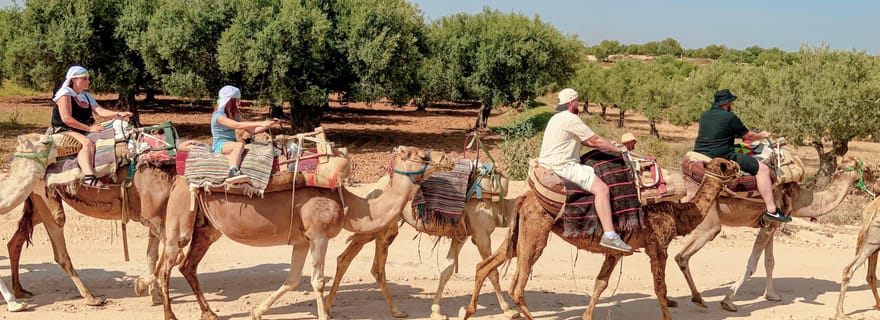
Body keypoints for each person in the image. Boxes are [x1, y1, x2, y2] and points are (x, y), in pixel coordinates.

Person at [539, 88, 632, 252]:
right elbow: (595, 140)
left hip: (548, 163)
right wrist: (620, 150)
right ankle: (610, 235)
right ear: (571, 103)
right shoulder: (570, 118)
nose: (578, 105)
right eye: (577, 101)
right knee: (602, 189)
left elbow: (587, 140)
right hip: (563, 166)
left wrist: (612, 145)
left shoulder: (556, 118)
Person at [693, 89, 791, 223]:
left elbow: (721, 132)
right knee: (763, 169)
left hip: (700, 152)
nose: (731, 106)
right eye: (731, 103)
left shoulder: (704, 115)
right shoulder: (729, 117)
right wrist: (762, 135)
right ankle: (772, 210)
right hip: (723, 155)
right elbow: (748, 136)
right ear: (727, 104)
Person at [51, 66, 133, 189]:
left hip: (83, 128)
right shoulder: (65, 94)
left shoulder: (86, 96)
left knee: (116, 127)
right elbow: (66, 119)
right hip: (65, 130)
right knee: (87, 143)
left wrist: (118, 114)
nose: (88, 81)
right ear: (74, 79)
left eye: (88, 79)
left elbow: (100, 111)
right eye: (84, 78)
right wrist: (89, 129)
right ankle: (89, 177)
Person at [211, 85, 279, 184]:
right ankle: (233, 171)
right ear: (229, 101)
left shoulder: (234, 115)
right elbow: (237, 125)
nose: (237, 103)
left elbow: (252, 130)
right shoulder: (218, 116)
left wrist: (269, 124)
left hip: (231, 144)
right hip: (220, 145)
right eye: (236, 100)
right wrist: (260, 122)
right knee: (240, 144)